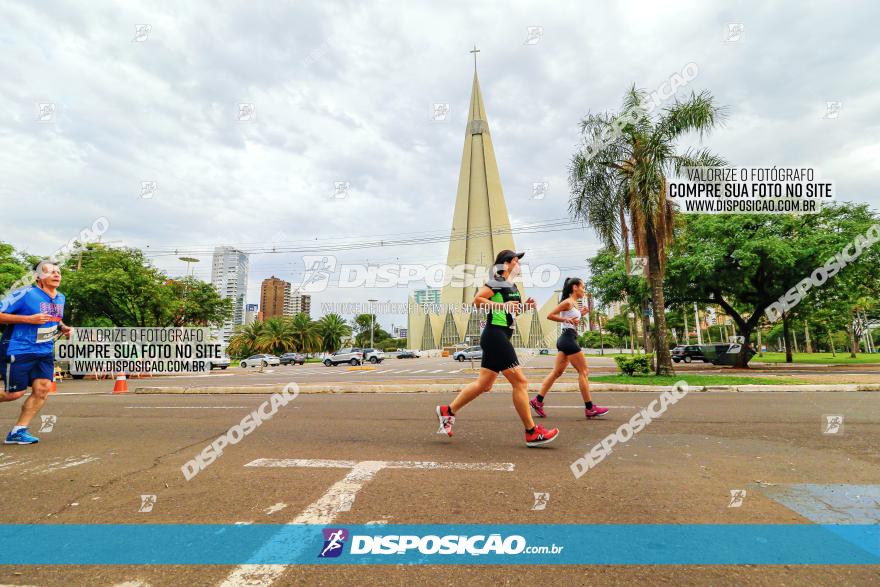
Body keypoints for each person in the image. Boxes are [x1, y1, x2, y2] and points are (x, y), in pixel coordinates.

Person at [436, 250, 559, 447]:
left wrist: (525, 307)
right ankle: (531, 432)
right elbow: (477, 300)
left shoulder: (512, 286)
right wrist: (502, 307)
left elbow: (511, 313)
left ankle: (447, 411)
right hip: (495, 336)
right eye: (516, 261)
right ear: (506, 264)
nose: (519, 265)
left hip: (500, 335)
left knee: (484, 384)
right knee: (520, 382)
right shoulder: (496, 282)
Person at [0, 261, 71, 444]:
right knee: (13, 394)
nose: (56, 275)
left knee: (43, 389)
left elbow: (55, 319)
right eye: (50, 272)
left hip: (44, 350)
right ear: (38, 277)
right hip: (19, 349)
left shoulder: (60, 297)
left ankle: (18, 431)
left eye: (58, 272)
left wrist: (63, 327)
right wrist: (27, 319)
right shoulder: (25, 294)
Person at [530, 277, 608, 420]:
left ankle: (537, 401)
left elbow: (572, 320)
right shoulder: (567, 302)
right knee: (583, 371)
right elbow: (550, 315)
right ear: (574, 287)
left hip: (566, 339)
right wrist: (565, 320)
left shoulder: (573, 304)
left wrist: (581, 314)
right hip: (568, 339)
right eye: (582, 287)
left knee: (556, 372)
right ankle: (590, 408)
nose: (584, 290)